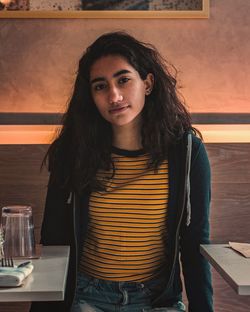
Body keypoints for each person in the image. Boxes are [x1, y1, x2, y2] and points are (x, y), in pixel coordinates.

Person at [30, 31, 213, 312]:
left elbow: (194, 244)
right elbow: (54, 240)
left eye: (123, 80)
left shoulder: (187, 152)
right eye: (100, 86)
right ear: (91, 96)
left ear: (148, 83)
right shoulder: (72, 150)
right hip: (86, 296)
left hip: (156, 300)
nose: (114, 95)